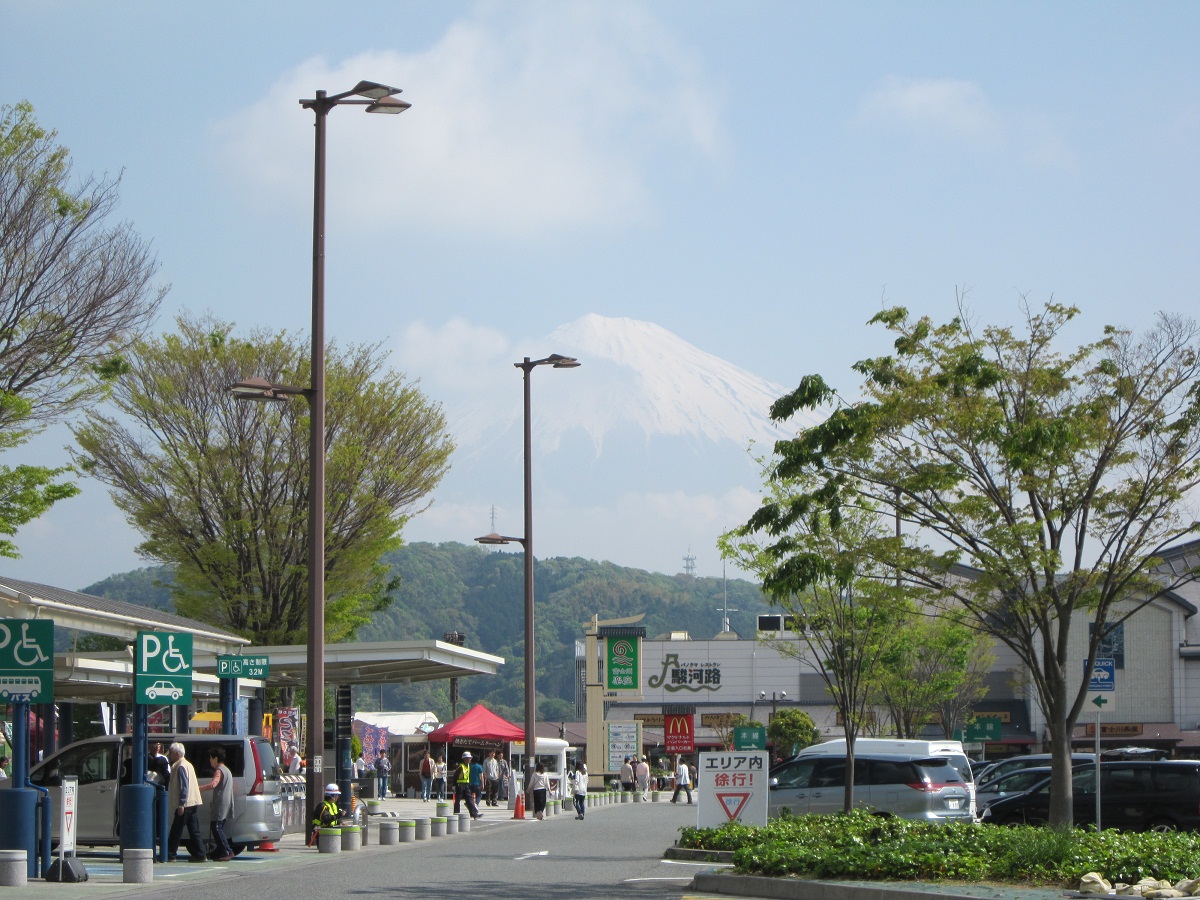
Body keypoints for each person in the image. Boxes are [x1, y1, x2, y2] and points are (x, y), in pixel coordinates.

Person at [165, 743, 206, 863]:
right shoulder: (188, 764)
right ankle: (200, 853)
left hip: (185, 803)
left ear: (177, 754)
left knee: (176, 830)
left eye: (172, 753)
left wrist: (181, 804)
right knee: (194, 830)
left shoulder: (180, 766)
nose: (170, 756)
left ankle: (170, 854)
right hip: (193, 801)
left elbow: (184, 787)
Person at [197, 747, 235, 860]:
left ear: (216, 759)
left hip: (220, 803)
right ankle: (221, 851)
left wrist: (198, 788)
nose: (210, 761)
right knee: (219, 827)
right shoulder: (227, 770)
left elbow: (213, 784)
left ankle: (227, 851)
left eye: (211, 758)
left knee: (216, 827)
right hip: (227, 802)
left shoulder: (219, 771)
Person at [453, 752, 481, 819]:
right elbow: (455, 776)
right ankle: (456, 813)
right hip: (460, 785)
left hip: (466, 785)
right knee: (458, 800)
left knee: (469, 799)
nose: (470, 759)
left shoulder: (468, 766)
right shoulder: (460, 766)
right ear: (465, 759)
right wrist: (454, 785)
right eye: (469, 758)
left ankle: (474, 814)